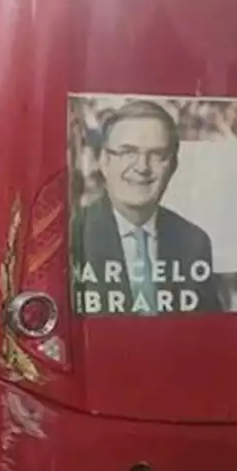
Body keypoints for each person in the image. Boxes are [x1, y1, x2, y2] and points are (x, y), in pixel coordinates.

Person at [72, 100, 222, 316]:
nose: (142, 167)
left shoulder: (194, 241)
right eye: (127, 152)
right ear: (104, 161)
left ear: (172, 166)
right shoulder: (75, 236)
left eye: (156, 154)